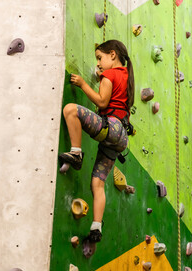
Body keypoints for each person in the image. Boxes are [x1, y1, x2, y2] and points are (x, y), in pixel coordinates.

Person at [59, 39, 135, 242]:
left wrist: (83, 84)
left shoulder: (109, 74)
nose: (99, 64)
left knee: (70, 110)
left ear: (112, 55)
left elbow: (102, 101)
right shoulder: (127, 76)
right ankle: (96, 226)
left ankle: (76, 153)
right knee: (98, 183)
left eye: (100, 58)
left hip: (111, 128)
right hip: (120, 139)